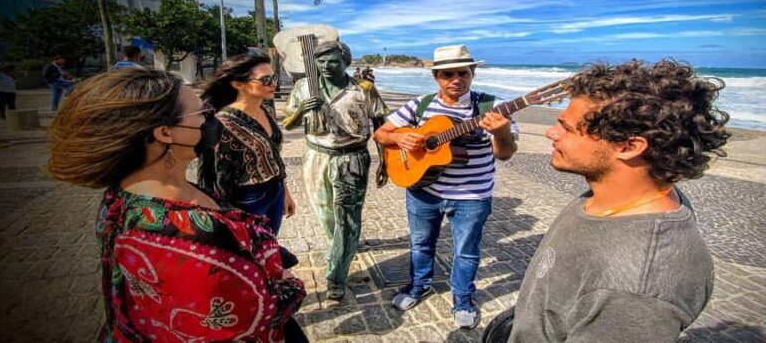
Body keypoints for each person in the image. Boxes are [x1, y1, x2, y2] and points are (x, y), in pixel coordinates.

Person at [47, 68, 307, 342]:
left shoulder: (122, 193)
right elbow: (254, 315)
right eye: (202, 113)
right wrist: (290, 281)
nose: (211, 119)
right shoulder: (192, 231)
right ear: (165, 133)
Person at [503, 60, 729, 342]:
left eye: (567, 128)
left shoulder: (638, 286)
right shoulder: (610, 197)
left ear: (629, 146)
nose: (551, 133)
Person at [373, 44, 519, 329]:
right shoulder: (421, 105)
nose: (456, 80)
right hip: (423, 191)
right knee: (420, 244)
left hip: (472, 196)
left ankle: (462, 299)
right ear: (436, 77)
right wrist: (399, 139)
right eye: (447, 74)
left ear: (472, 73)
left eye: (463, 73)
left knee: (466, 251)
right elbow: (381, 133)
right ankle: (419, 285)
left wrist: (502, 132)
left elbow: (504, 154)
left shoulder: (493, 107)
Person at [283, 40, 390, 301]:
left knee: (347, 218)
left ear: (346, 62)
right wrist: (302, 110)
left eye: (333, 61)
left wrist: (384, 161)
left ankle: (336, 275)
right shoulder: (303, 86)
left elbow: (381, 125)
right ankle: (343, 248)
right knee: (325, 213)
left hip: (352, 158)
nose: (326, 66)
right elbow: (287, 124)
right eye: (321, 61)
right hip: (316, 157)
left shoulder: (363, 88)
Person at [197, 51, 296, 235]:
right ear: (238, 84)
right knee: (251, 248)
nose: (273, 84)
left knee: (270, 243)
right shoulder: (222, 123)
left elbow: (273, 156)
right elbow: (215, 177)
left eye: (273, 77)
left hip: (275, 192)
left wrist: (285, 192)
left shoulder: (266, 111)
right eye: (265, 80)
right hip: (248, 200)